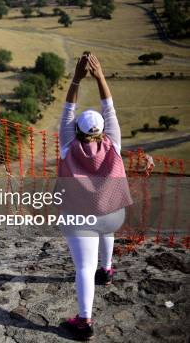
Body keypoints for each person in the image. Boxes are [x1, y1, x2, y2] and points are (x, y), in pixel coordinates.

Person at [57, 53, 133, 340]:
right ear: (102, 131)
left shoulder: (67, 145)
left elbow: (67, 110)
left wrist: (77, 78)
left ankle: (85, 322)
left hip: (79, 218)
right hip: (113, 214)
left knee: (83, 269)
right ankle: (108, 268)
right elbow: (109, 107)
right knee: (105, 224)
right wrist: (100, 76)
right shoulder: (113, 141)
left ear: (75, 130)